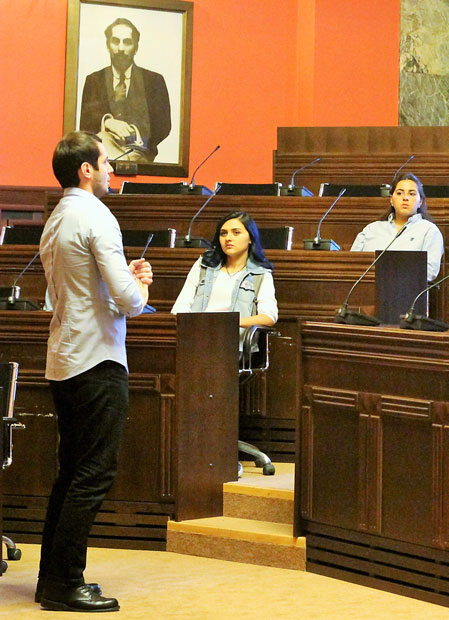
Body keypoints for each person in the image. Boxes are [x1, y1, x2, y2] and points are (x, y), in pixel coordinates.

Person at [37, 131, 152, 612]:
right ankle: (65, 584)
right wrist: (140, 286)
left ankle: (52, 578)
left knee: (70, 473)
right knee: (92, 474)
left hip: (65, 359)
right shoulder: (97, 215)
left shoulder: (57, 218)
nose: (111, 170)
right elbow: (127, 299)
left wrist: (123, 284)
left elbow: (68, 291)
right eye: (106, 162)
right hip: (98, 359)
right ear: (86, 169)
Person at [171, 211, 278, 344]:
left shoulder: (260, 274)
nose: (228, 238)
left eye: (236, 232)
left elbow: (269, 317)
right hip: (196, 339)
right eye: (223, 233)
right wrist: (195, 328)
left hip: (234, 345)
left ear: (250, 238)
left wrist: (228, 323)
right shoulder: (204, 264)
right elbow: (180, 307)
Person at [79, 18, 171, 162]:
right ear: (108, 45)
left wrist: (134, 133)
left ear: (136, 48)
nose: (121, 48)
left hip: (141, 154)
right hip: (104, 156)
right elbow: (85, 123)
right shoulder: (94, 80)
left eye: (127, 42)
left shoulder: (154, 81)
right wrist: (108, 122)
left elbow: (163, 125)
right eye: (115, 41)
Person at [351, 172, 444, 281]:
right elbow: (352, 265)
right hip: (367, 288)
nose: (405, 198)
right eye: (399, 193)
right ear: (391, 199)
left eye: (412, 194)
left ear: (420, 202)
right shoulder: (371, 229)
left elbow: (430, 271)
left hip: (408, 289)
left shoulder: (429, 231)